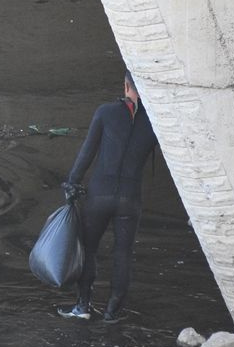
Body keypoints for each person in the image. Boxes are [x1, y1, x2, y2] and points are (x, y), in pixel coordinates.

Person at [57, 71, 159, 323]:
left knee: (89, 249)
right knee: (123, 253)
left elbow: (87, 152)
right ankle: (112, 312)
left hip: (98, 196)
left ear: (126, 86)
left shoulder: (105, 112)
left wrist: (72, 182)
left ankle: (82, 306)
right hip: (130, 199)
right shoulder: (156, 120)